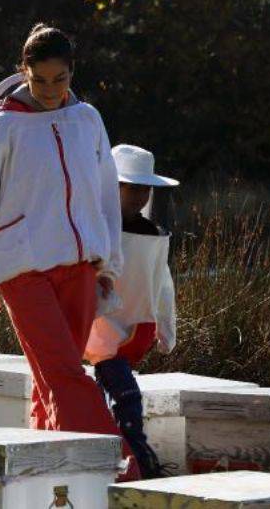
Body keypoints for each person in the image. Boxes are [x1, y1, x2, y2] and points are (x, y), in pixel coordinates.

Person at [0, 23, 140, 480]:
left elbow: (104, 195)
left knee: (54, 377)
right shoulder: (5, 125)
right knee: (67, 376)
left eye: (60, 79)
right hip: (20, 268)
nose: (51, 90)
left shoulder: (88, 119)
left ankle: (46, 482)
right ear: (24, 72)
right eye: (40, 80)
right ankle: (116, 475)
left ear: (72, 72)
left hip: (80, 266)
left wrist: (108, 264)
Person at [84, 143, 179, 478]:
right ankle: (143, 465)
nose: (140, 196)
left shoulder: (153, 233)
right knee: (127, 399)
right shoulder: (93, 229)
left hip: (139, 331)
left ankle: (114, 467)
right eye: (132, 188)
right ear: (113, 187)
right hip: (102, 331)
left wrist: (167, 328)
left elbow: (161, 280)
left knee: (107, 399)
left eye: (145, 189)